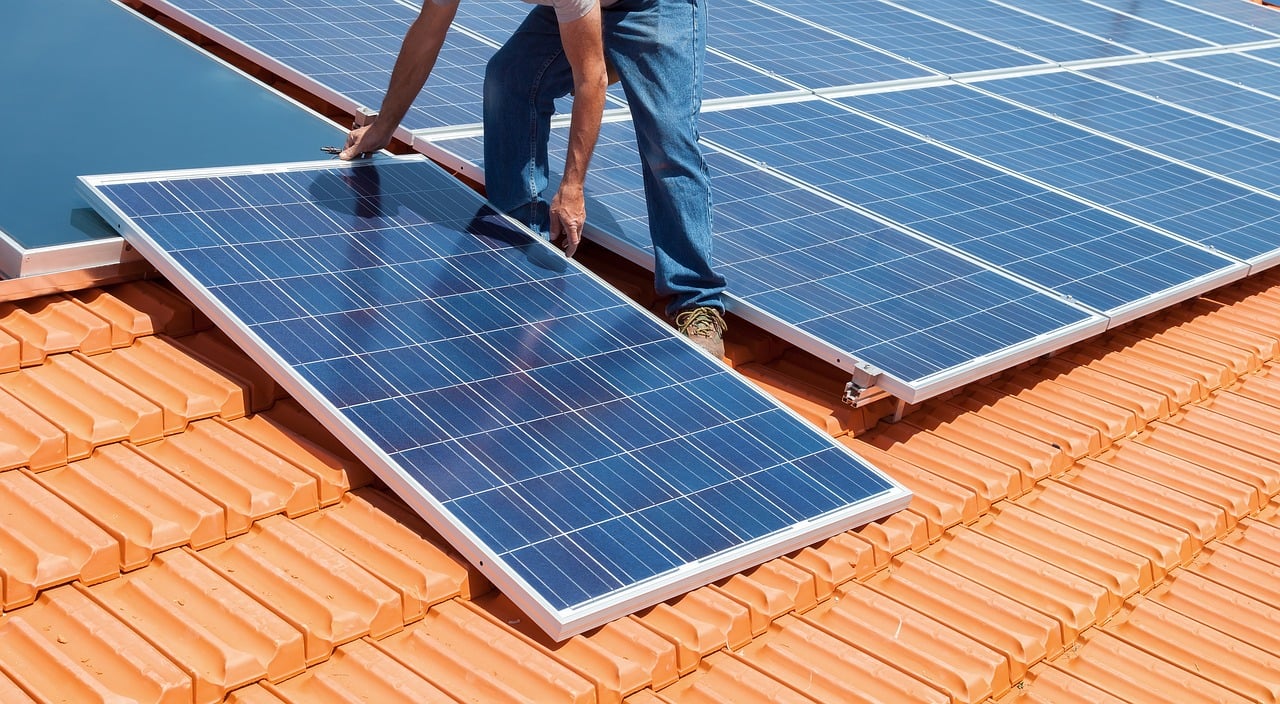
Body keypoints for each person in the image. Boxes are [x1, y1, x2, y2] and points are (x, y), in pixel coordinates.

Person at [341, 0, 728, 356]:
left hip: (656, 7)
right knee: (510, 77)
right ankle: (522, 230)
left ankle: (696, 300)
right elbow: (429, 30)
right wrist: (385, 124)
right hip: (584, 8)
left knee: (667, 140)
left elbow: (589, 80)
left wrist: (572, 187)